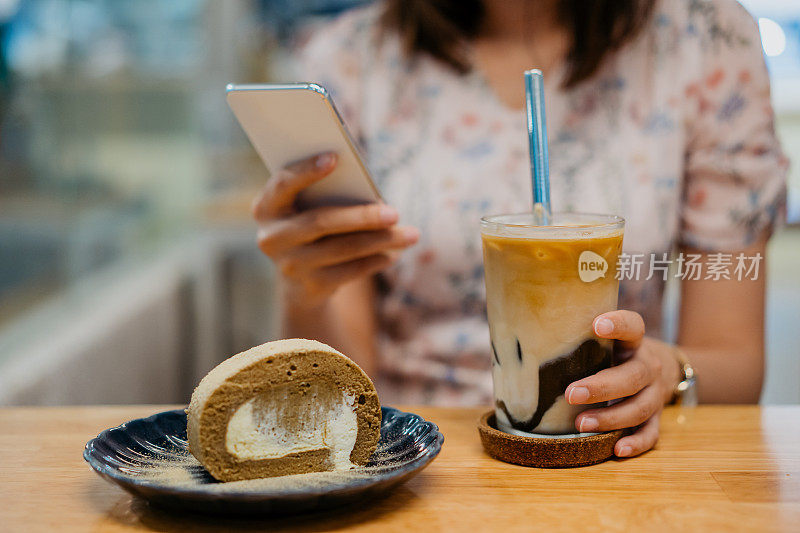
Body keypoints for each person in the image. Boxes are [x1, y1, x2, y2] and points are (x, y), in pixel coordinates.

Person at [251, 0, 788, 458]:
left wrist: (669, 372)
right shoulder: (349, 59)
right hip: (409, 458)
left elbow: (736, 363)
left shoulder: (706, 40)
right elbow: (338, 386)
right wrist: (306, 287)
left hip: (604, 450)